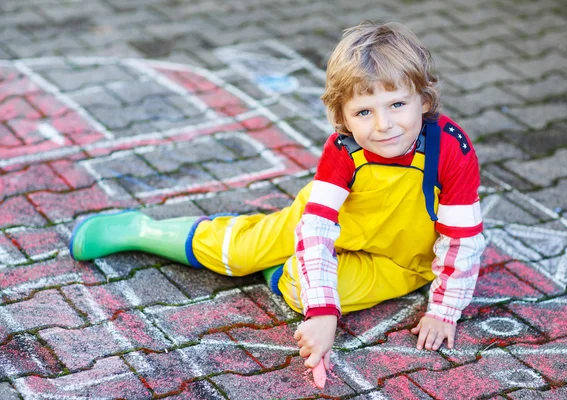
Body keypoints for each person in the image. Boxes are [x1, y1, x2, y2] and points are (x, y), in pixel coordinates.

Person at [70, 21, 485, 372]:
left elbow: (460, 240)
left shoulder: (450, 149)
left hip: (400, 260)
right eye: (364, 112)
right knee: (239, 254)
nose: (384, 124)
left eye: (397, 104)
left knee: (302, 290)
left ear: (424, 101)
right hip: (335, 225)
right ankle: (142, 229)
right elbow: (318, 226)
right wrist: (324, 316)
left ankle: (284, 271)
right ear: (342, 116)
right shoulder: (343, 150)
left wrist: (442, 310)